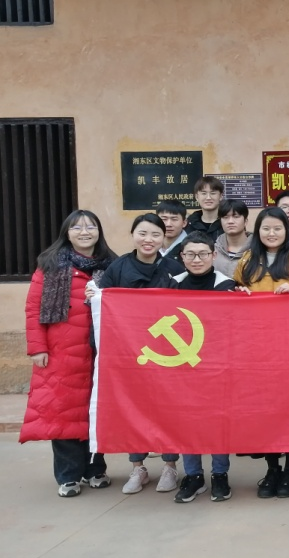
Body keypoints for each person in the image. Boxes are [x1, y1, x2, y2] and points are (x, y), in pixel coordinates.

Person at [22, 210, 116, 497]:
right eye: (77, 227)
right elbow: (33, 309)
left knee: (95, 412)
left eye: (90, 226)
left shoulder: (112, 265)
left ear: (99, 232)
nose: (85, 232)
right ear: (67, 233)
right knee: (63, 414)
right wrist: (37, 348)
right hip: (60, 353)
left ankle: (95, 469)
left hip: (101, 352)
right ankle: (68, 476)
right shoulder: (50, 265)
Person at [93, 214, 182, 495]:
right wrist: (93, 297)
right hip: (129, 351)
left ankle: (170, 465)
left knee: (168, 408)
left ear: (163, 238)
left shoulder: (174, 268)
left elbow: (188, 307)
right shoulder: (118, 267)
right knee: (133, 407)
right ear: (133, 235)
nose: (148, 240)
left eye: (155, 234)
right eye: (142, 233)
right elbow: (102, 305)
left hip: (168, 352)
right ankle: (138, 467)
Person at [234, 206, 289, 498]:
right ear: (257, 231)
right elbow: (235, 293)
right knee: (264, 408)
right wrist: (239, 294)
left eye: (277, 228)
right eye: (266, 228)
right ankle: (271, 468)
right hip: (256, 348)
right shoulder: (247, 260)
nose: (271, 233)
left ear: (287, 231)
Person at [171, 232, 238, 503]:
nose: (196, 259)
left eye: (202, 254)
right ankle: (193, 476)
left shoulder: (227, 285)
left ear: (214, 255)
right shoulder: (172, 284)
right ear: (182, 257)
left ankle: (220, 474)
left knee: (218, 420)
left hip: (217, 365)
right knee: (187, 420)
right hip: (182, 365)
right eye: (190, 254)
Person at [213, 198, 251, 278]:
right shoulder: (213, 250)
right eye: (225, 217)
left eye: (236, 217)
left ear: (245, 221)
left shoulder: (257, 249)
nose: (230, 221)